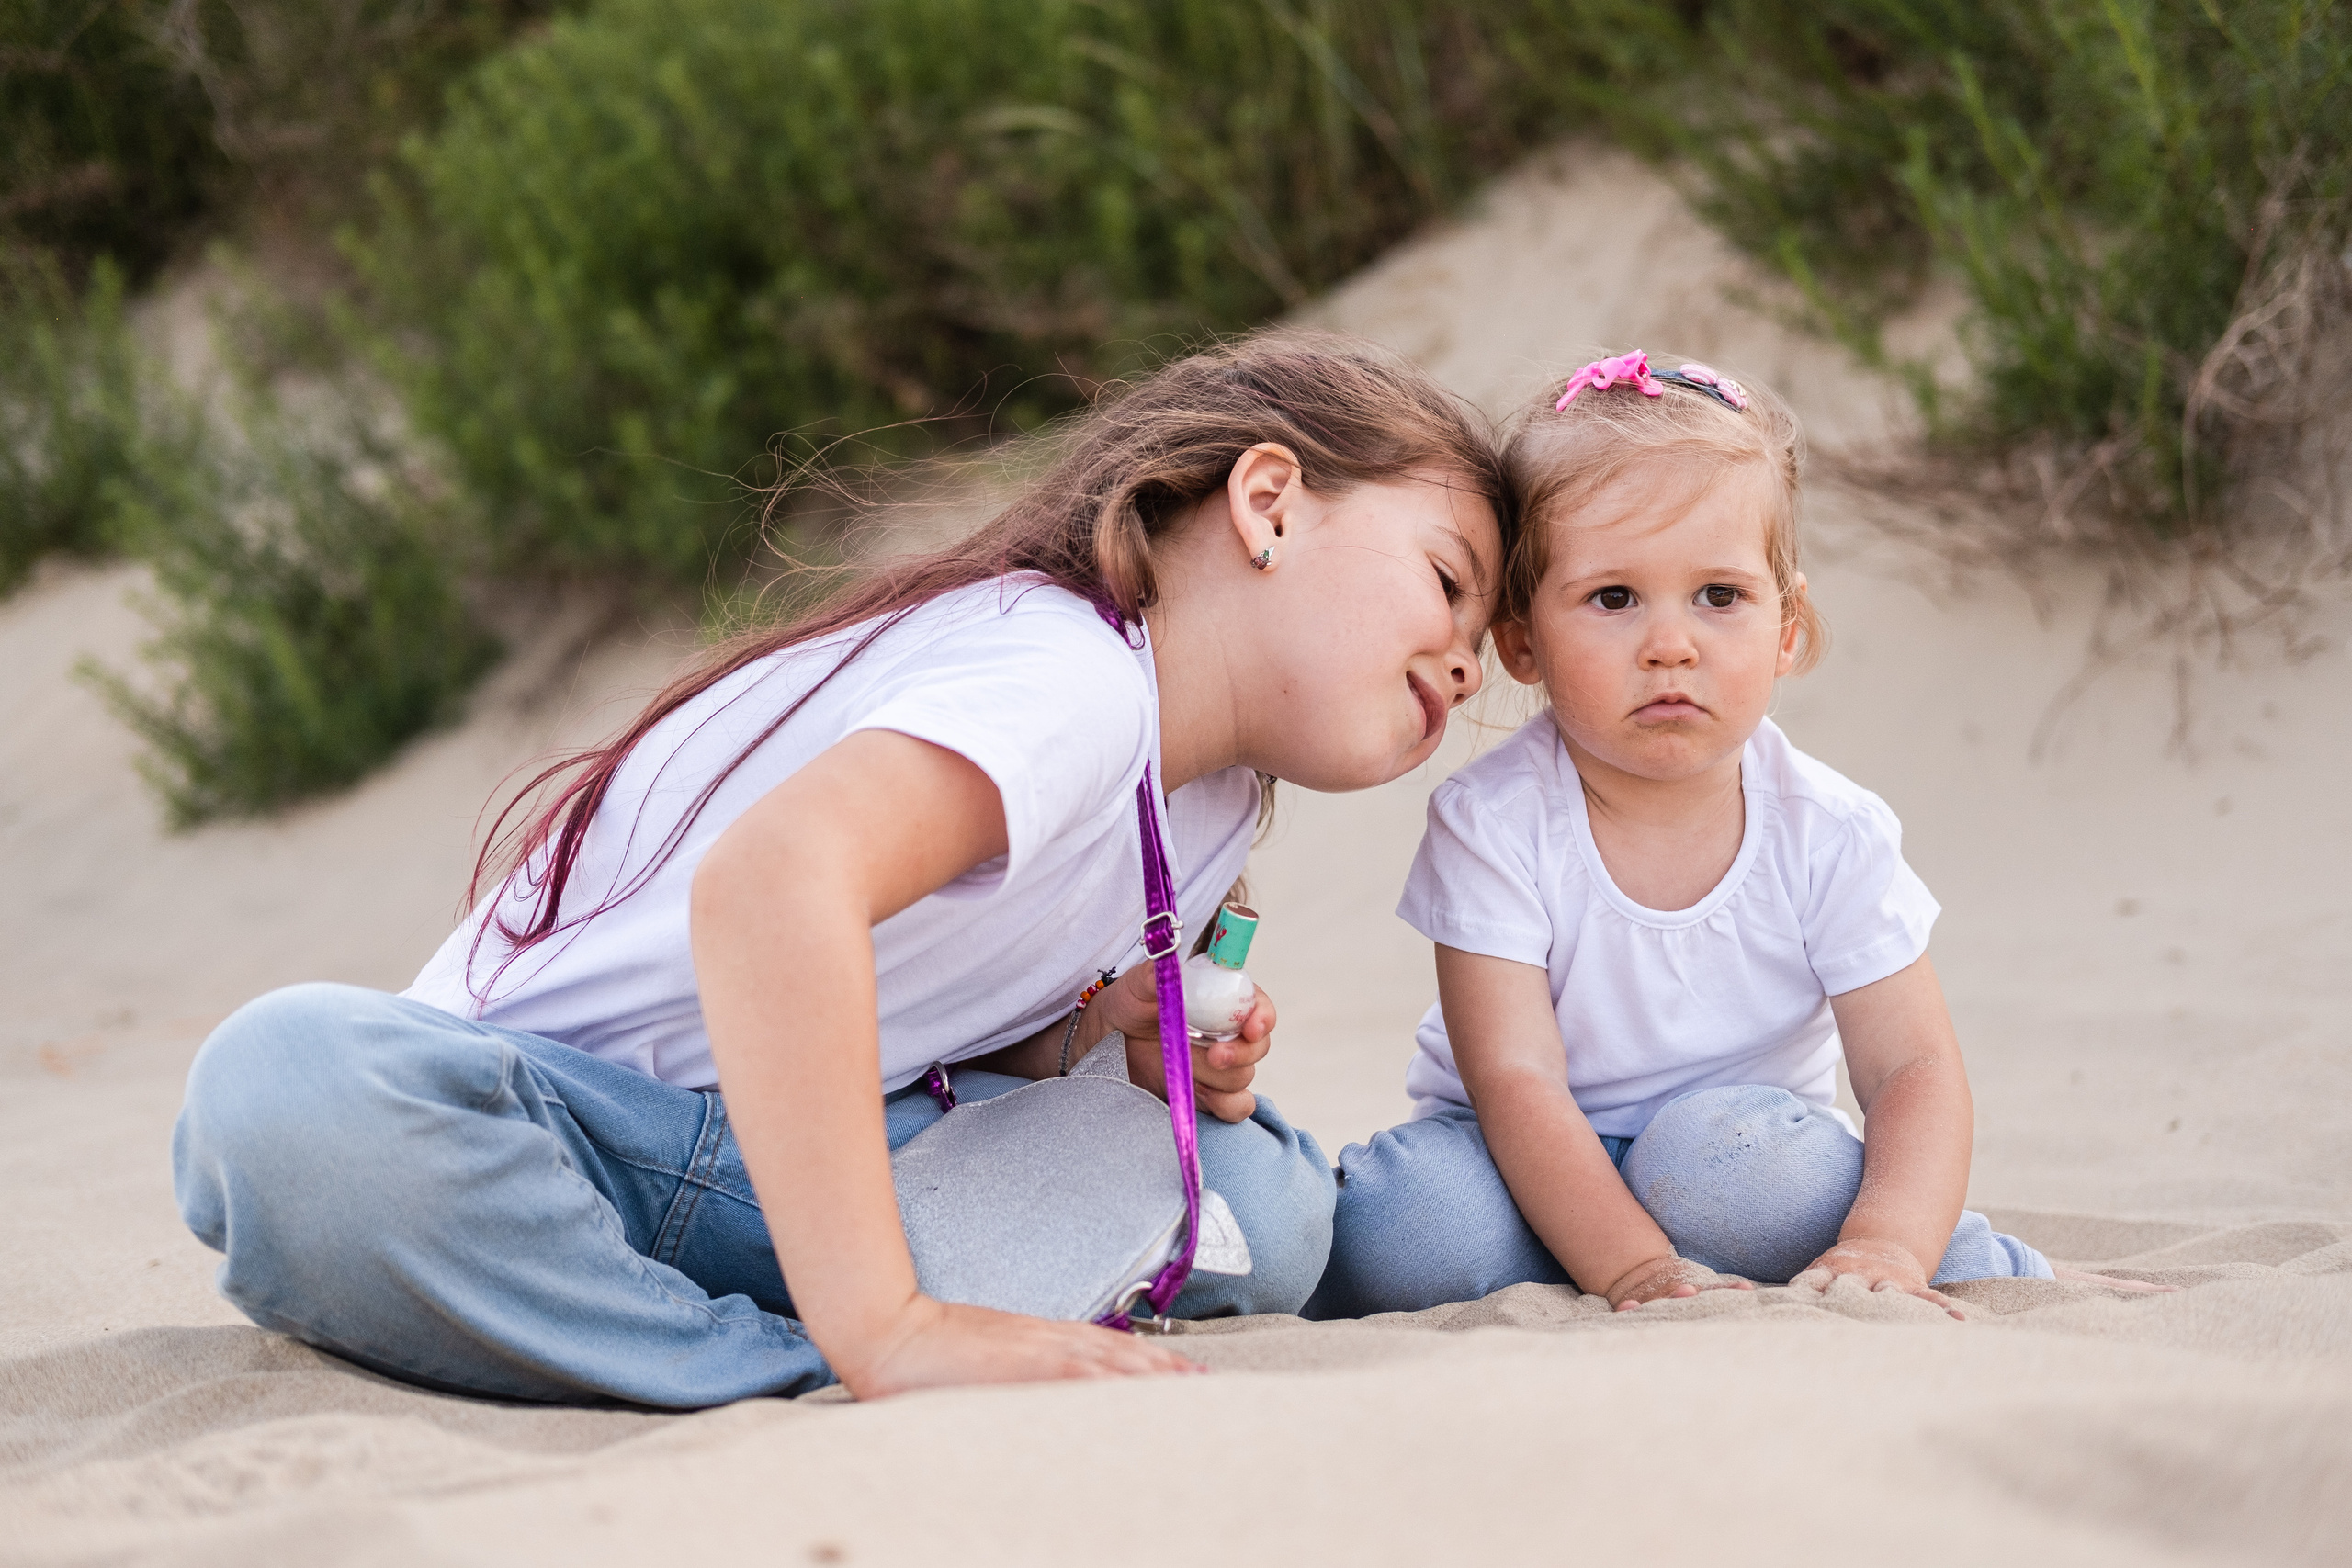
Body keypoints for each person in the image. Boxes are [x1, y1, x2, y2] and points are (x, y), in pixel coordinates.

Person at [173, 333, 1509, 1405]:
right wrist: (885, 1322)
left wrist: (1107, 1045)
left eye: (1483, 647)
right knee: (283, 1091)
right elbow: (773, 884)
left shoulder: (1213, 803)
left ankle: (684, 1326)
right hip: (575, 1139)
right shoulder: (1069, 669)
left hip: (826, 1157)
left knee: (1262, 1199)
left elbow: (961, 996)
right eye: (1446, 581)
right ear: (1268, 502)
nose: (1460, 658)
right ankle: (818, 1344)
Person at [1307, 350, 2069, 1321]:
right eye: (1613, 598)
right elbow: (1516, 1077)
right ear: (1522, 643)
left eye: (1719, 596)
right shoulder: (1491, 822)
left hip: (1727, 1163)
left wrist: (1888, 1240)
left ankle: (1963, 1254)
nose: (1671, 644)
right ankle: (1586, 1257)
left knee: (1729, 1165)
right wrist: (1630, 1268)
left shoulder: (1827, 830)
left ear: (1787, 629)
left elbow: (1912, 1069)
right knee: (1410, 1225)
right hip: (1515, 1159)